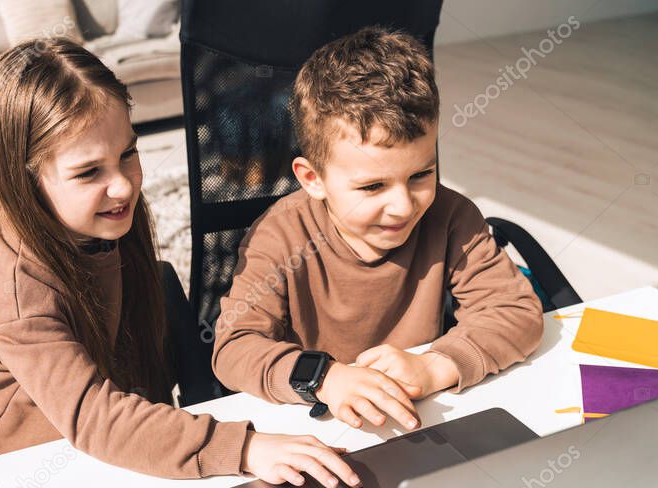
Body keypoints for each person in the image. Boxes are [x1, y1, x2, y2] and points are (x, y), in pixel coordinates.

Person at [0, 39, 360, 488]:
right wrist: (243, 449)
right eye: (89, 172)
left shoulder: (104, 219)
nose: (123, 186)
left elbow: (132, 357)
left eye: (128, 153)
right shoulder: (16, 289)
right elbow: (96, 419)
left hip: (76, 454)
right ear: (23, 178)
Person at [212, 26, 544, 430]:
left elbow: (515, 312)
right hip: (321, 428)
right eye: (372, 186)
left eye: (421, 174)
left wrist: (435, 366)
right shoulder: (280, 235)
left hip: (424, 419)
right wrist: (325, 378)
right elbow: (233, 348)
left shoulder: (452, 216)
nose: (405, 206)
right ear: (312, 178)